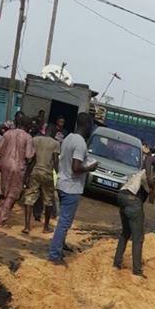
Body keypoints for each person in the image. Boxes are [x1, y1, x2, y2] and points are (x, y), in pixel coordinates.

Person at [48, 113, 96, 265]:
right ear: (87, 126)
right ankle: (54, 255)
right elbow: (76, 167)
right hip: (71, 187)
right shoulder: (80, 143)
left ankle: (59, 247)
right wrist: (89, 168)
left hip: (63, 183)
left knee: (64, 220)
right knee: (64, 223)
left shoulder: (68, 138)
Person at [113, 156, 155, 277]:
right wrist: (149, 177)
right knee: (138, 237)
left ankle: (117, 263)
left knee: (126, 232)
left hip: (122, 195)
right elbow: (149, 159)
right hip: (132, 197)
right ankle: (137, 271)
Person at [0, 117, 35, 226]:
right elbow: (29, 155)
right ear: (28, 126)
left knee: (2, 190)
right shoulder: (28, 137)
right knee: (12, 194)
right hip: (18, 166)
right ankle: (2, 220)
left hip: (4, 164)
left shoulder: (7, 134)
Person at [22, 128, 60, 234]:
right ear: (53, 133)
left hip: (35, 171)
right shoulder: (55, 144)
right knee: (48, 200)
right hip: (47, 173)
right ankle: (46, 227)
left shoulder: (36, 140)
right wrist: (59, 174)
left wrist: (27, 175)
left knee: (29, 198)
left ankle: (27, 226)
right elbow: (56, 160)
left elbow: (32, 158)